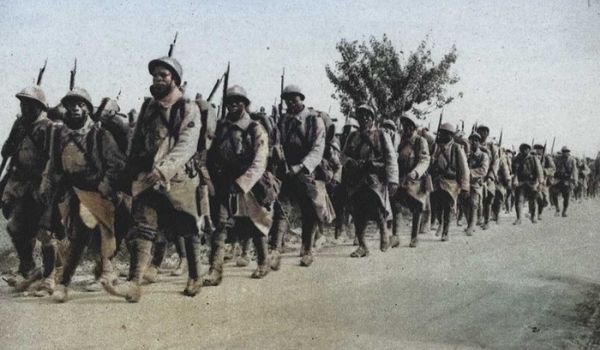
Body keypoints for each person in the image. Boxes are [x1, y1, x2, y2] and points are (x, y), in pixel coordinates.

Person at [112, 55, 204, 301]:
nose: (158, 79)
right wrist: (130, 170)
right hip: (147, 177)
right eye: (155, 76)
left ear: (174, 79)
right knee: (143, 226)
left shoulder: (188, 107)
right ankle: (134, 283)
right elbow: (137, 139)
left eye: (164, 75)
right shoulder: (149, 107)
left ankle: (195, 276)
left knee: (187, 228)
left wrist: (164, 169)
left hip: (177, 178)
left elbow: (187, 144)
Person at [39, 87, 126, 302]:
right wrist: (47, 185)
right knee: (79, 235)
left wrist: (105, 189)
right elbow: (54, 164)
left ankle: (98, 274)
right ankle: (69, 281)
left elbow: (115, 164)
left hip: (97, 190)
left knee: (103, 234)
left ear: (87, 108)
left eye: (80, 105)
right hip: (73, 191)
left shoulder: (100, 134)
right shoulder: (59, 134)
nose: (75, 109)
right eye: (71, 105)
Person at [203, 85, 276, 283]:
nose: (234, 105)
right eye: (230, 102)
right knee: (221, 225)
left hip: (251, 183)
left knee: (257, 223)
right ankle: (215, 269)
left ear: (245, 104)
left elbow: (260, 160)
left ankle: (263, 261)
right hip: (225, 182)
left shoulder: (255, 128)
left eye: (238, 101)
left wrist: (244, 182)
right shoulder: (221, 127)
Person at [1, 84, 58, 294]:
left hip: (43, 185)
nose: (24, 108)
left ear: (39, 106)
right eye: (22, 104)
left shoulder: (48, 127)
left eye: (29, 104)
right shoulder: (21, 125)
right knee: (15, 227)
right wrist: (14, 135)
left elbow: (54, 159)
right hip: (22, 185)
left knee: (46, 232)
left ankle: (50, 277)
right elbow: (6, 150)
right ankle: (29, 268)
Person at [278, 85, 335, 267]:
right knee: (281, 206)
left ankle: (307, 248)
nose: (291, 103)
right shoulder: (283, 120)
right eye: (287, 100)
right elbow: (278, 141)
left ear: (302, 99)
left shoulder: (313, 121)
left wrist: (301, 167)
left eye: (294, 99)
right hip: (287, 169)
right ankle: (276, 247)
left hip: (308, 170)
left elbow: (317, 148)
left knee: (309, 209)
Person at [342, 105, 398, 257]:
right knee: (358, 212)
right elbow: (344, 155)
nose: (364, 118)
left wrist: (393, 180)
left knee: (377, 206)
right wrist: (349, 162)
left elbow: (390, 157)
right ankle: (362, 246)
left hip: (375, 177)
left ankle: (384, 233)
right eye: (361, 116)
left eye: (368, 115)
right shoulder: (353, 136)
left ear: (373, 118)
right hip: (357, 178)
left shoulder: (381, 134)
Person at [390, 115, 430, 247]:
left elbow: (425, 159)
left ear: (413, 127)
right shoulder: (400, 140)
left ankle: (414, 237)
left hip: (416, 180)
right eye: (404, 125)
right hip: (402, 178)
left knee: (417, 205)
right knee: (395, 203)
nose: (406, 128)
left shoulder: (420, 141)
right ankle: (395, 235)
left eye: (409, 126)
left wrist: (416, 172)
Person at [429, 122, 469, 241]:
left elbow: (464, 168)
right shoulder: (437, 146)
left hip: (451, 183)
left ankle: (445, 231)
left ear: (450, 135)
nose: (441, 135)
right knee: (435, 206)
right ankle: (441, 223)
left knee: (447, 207)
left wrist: (465, 186)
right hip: (437, 181)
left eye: (444, 133)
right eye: (440, 133)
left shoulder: (456, 148)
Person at [463, 132, 489, 236]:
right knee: (464, 204)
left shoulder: (483, 155)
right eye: (471, 140)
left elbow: (484, 170)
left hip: (476, 183)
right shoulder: (466, 154)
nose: (473, 142)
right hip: (465, 183)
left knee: (474, 204)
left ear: (479, 143)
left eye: (476, 140)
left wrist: (469, 172)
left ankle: (471, 225)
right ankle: (470, 222)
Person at [511, 143, 543, 225]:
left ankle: (533, 216)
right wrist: (514, 180)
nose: (524, 150)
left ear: (529, 150)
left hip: (531, 182)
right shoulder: (517, 159)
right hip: (521, 182)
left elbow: (539, 171)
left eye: (526, 149)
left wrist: (540, 183)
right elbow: (514, 171)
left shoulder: (533, 158)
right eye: (522, 149)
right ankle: (519, 219)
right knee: (519, 200)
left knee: (532, 201)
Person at [476, 125, 500, 230]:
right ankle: (475, 219)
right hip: (476, 175)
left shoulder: (491, 147)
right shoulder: (474, 143)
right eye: (480, 131)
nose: (482, 134)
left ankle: (486, 221)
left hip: (488, 176)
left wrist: (491, 176)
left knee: (488, 199)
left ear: (487, 134)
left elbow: (495, 162)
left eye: (484, 132)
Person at [551, 146, 578, 217]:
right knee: (553, 193)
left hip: (567, 180)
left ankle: (564, 211)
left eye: (567, 151)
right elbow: (553, 167)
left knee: (566, 197)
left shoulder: (572, 160)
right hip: (558, 179)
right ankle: (557, 208)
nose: (565, 153)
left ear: (569, 152)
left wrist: (575, 180)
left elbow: (574, 171)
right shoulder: (557, 159)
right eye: (564, 151)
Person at [533, 144, 555, 220]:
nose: (537, 150)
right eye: (536, 148)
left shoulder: (547, 158)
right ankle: (534, 213)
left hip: (543, 180)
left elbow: (552, 168)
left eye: (539, 148)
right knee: (535, 197)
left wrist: (545, 171)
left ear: (542, 150)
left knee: (544, 198)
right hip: (533, 180)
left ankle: (540, 212)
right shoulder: (532, 156)